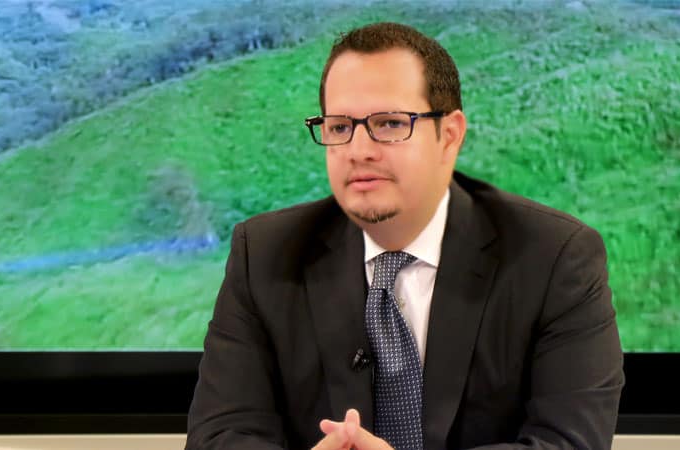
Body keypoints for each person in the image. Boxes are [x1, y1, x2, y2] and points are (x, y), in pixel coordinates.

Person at [186, 22, 624, 450]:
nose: (359, 150)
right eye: (339, 127)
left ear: (448, 136)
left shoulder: (554, 257)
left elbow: (570, 441)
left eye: (390, 123)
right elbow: (218, 436)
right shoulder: (264, 254)